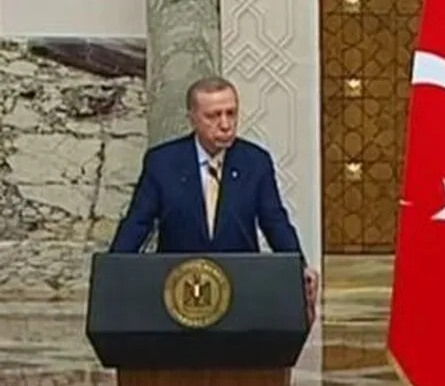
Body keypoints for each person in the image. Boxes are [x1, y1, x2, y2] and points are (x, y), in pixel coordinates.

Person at [109, 76, 318, 318]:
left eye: (231, 113)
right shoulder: (163, 162)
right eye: (213, 116)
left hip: (240, 288)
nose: (226, 124)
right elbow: (138, 222)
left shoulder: (255, 161)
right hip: (178, 289)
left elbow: (274, 221)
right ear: (192, 118)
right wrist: (113, 270)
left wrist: (298, 267)